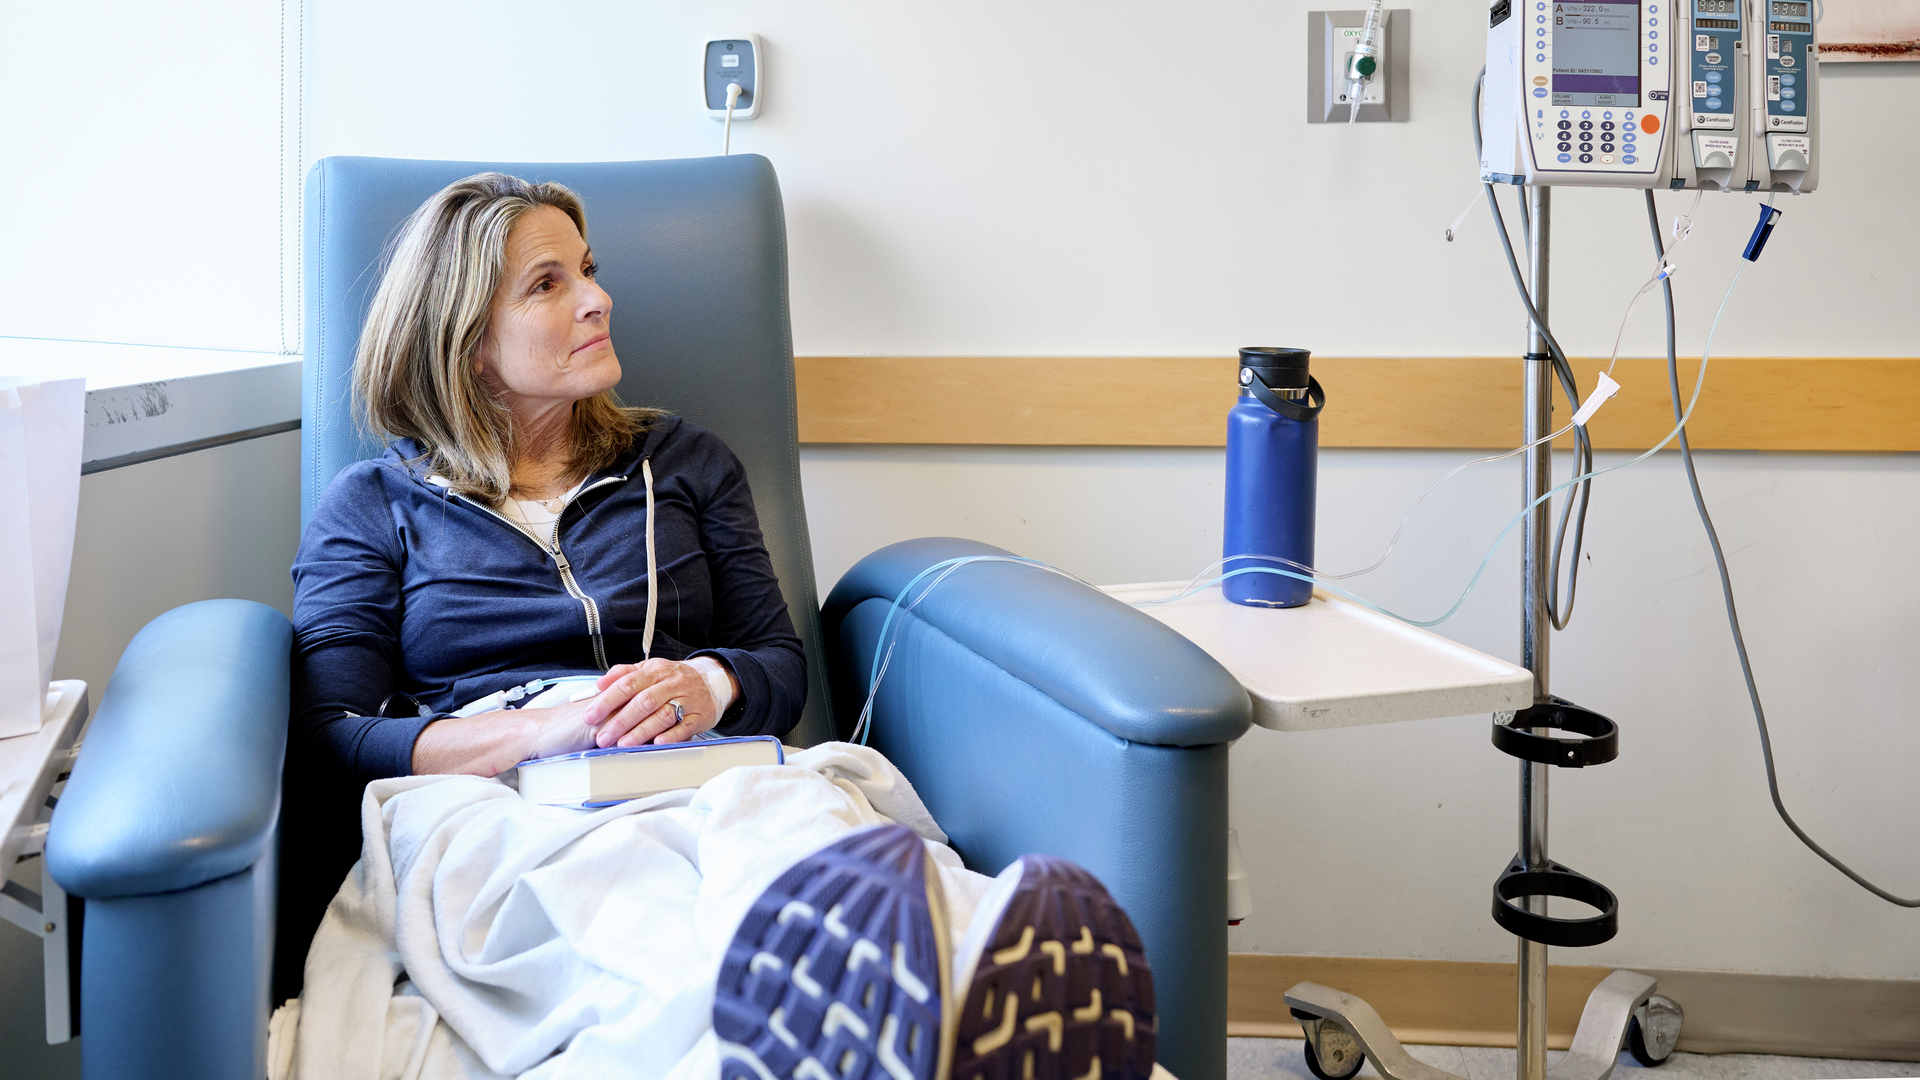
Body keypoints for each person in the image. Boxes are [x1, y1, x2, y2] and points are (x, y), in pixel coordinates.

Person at [281, 173, 1156, 1080]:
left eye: (589, 269)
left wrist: (710, 684)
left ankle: (968, 989)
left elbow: (781, 665)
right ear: (462, 340)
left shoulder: (685, 462)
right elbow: (334, 738)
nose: (597, 299)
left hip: (697, 760)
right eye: (549, 284)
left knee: (794, 821)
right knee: (628, 899)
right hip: (503, 801)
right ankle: (788, 1036)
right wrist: (554, 729)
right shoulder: (375, 505)